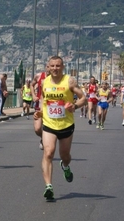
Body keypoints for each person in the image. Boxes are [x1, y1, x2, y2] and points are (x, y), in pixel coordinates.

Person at [39, 56, 86, 201]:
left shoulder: (69, 81)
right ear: (48, 67)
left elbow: (83, 97)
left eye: (58, 66)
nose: (54, 68)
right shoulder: (44, 82)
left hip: (66, 124)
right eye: (52, 66)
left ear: (63, 67)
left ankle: (65, 165)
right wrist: (40, 112)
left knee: (65, 156)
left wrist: (75, 106)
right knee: (48, 152)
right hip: (49, 123)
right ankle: (48, 186)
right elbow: (43, 99)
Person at [31, 65, 50, 150]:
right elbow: (32, 84)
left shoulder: (57, 78)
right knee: (37, 128)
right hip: (39, 104)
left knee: (49, 128)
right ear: (46, 67)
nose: (51, 68)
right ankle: (43, 137)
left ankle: (48, 142)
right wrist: (34, 96)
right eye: (49, 66)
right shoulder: (39, 76)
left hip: (51, 106)